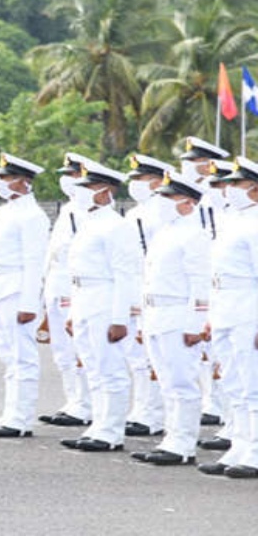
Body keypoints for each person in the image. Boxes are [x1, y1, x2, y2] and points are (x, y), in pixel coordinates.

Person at [59, 161, 142, 453]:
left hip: (105, 299)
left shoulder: (117, 226)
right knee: (93, 368)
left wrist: (120, 319)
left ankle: (112, 431)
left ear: (105, 191)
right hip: (84, 297)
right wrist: (71, 313)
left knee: (111, 368)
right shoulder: (88, 223)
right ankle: (98, 424)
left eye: (88, 187)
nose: (81, 192)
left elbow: (124, 275)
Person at [131, 171, 209, 466]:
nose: (161, 201)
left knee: (182, 380)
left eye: (168, 196)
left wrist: (195, 324)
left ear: (187, 202)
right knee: (165, 381)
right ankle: (171, 437)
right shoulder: (165, 232)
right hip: (156, 313)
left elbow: (200, 282)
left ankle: (184, 443)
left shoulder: (194, 234)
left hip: (178, 313)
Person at [0, 152, 50, 438]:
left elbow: (34, 261)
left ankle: (20, 419)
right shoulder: (4, 212)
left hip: (17, 288)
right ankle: (9, 414)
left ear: (24, 182)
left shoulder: (33, 216)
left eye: (6, 177)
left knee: (22, 356)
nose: (1, 182)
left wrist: (30, 303)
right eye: (0, 178)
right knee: (7, 354)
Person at [199, 157, 258, 478]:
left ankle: (256, 450)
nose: (229, 189)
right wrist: (211, 315)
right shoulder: (232, 220)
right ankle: (240, 443)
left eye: (236, 183)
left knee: (253, 381)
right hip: (225, 305)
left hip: (249, 305)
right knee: (232, 381)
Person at [37, 152, 93, 428]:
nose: (67, 180)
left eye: (73, 175)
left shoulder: (86, 211)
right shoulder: (69, 208)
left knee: (78, 348)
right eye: (67, 175)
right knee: (62, 350)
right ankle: (73, 400)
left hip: (73, 287)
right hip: (56, 284)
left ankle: (85, 404)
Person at [122, 153, 176, 439]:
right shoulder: (136, 212)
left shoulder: (159, 213)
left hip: (152, 288)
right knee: (137, 357)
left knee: (149, 359)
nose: (135, 184)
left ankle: (153, 414)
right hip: (136, 288)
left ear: (156, 181)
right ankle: (142, 409)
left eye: (140, 179)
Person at [180, 136, 230, 431]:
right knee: (207, 353)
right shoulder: (196, 202)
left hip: (226, 287)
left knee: (226, 358)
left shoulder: (222, 207)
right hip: (205, 282)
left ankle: (221, 410)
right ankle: (213, 404)